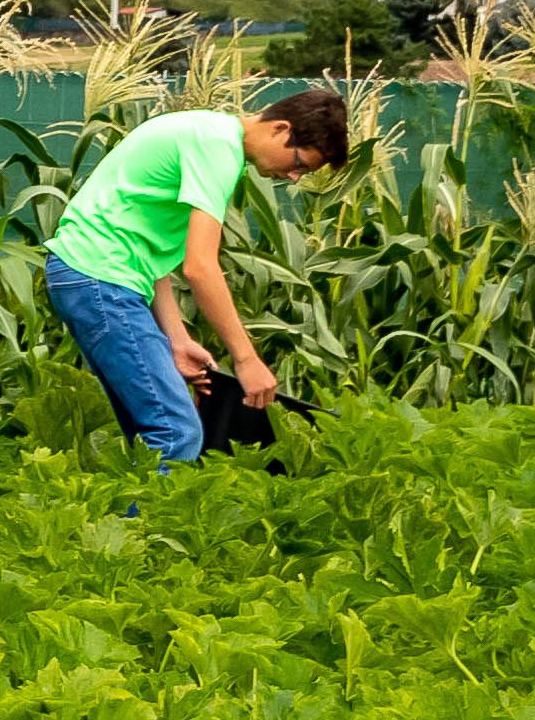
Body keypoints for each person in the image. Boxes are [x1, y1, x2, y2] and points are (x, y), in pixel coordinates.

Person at [45, 84, 345, 468]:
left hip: (92, 276)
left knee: (149, 432)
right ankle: (145, 529)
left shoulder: (207, 134)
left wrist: (178, 340)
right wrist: (246, 359)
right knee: (176, 431)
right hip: (100, 280)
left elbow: (151, 255)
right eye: (300, 163)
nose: (294, 177)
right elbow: (200, 267)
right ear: (280, 129)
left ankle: (127, 521)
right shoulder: (217, 148)